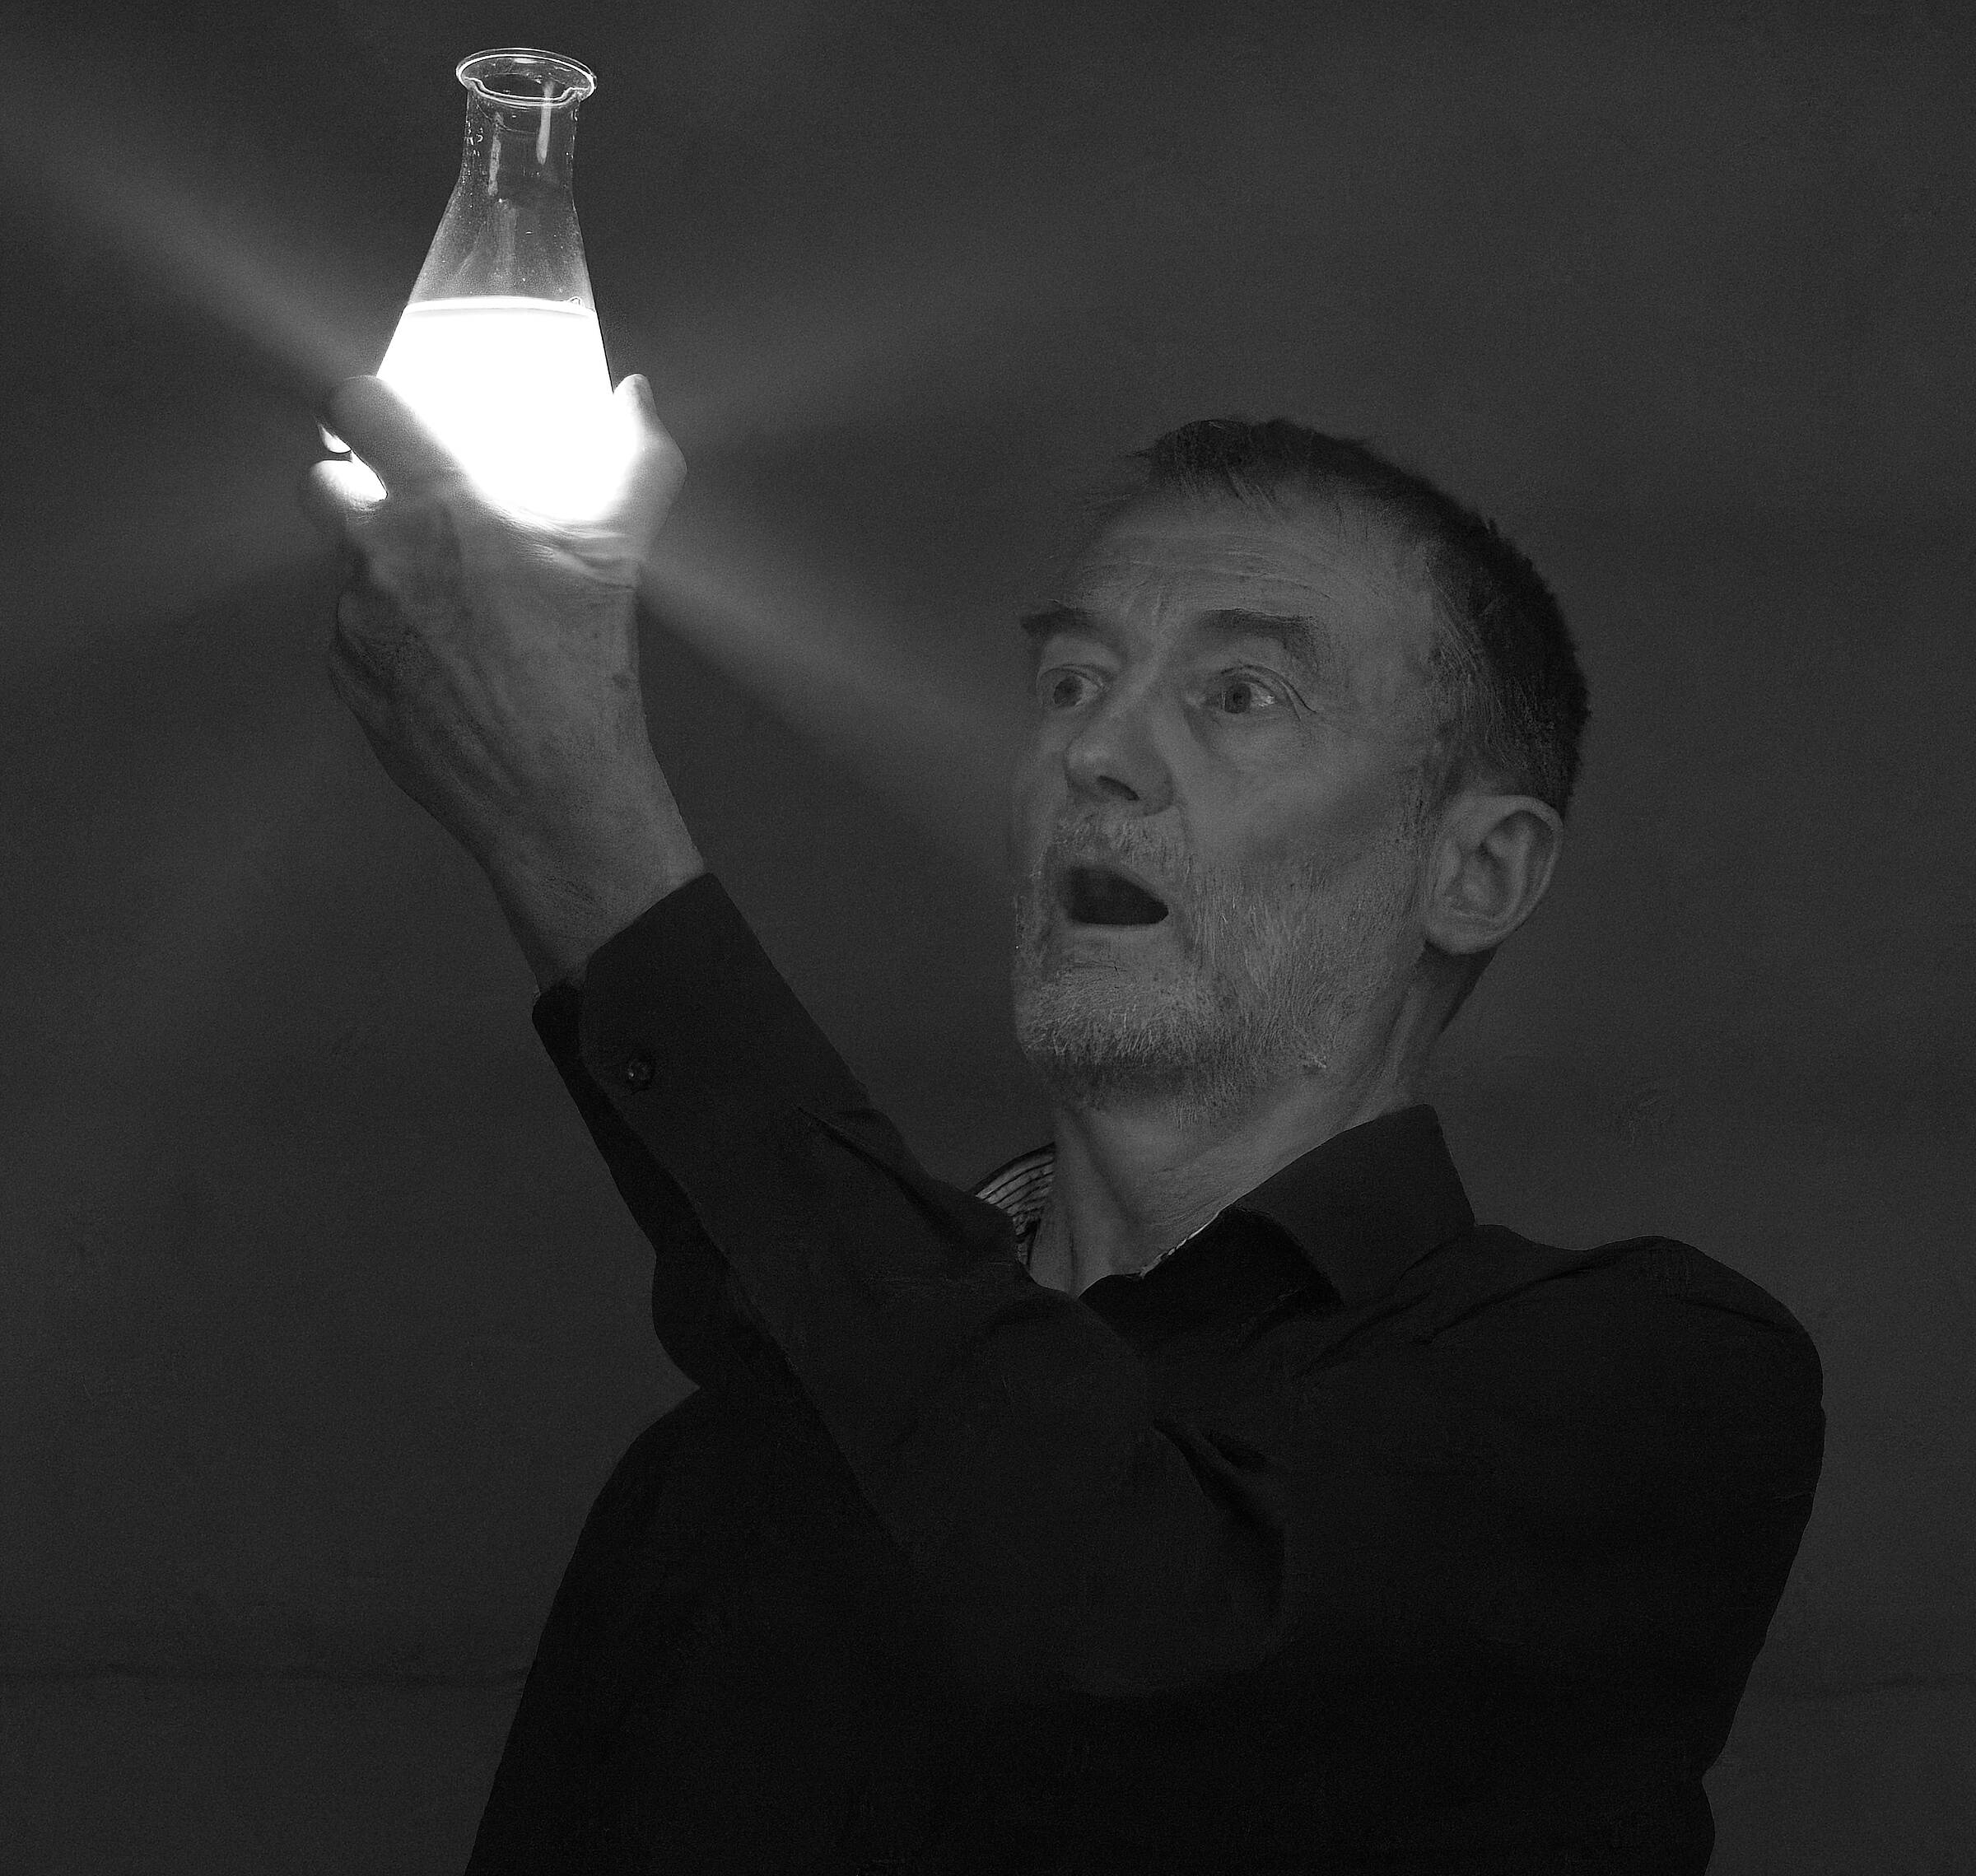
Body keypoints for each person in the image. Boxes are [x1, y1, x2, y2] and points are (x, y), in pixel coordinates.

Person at [301, 377, 1825, 1875]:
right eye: (1074, 684)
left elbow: (1127, 1639)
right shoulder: (717, 1481)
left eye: (1240, 695)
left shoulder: (1655, 1386)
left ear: (1474, 872)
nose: (1099, 753)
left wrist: (588, 836)